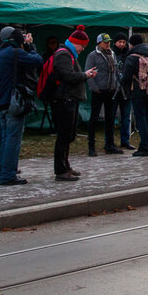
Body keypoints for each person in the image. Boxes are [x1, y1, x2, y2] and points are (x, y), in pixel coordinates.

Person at [0, 26, 43, 186]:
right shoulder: (14, 53)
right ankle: (7, 175)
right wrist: (30, 46)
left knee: (4, 136)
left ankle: (1, 167)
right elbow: (38, 61)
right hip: (14, 102)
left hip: (0, 101)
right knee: (13, 139)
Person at [50, 26, 96, 181]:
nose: (83, 48)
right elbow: (68, 76)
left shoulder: (70, 54)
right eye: (82, 45)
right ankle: (60, 170)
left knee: (69, 135)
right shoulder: (63, 55)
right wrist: (85, 75)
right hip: (65, 100)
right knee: (64, 135)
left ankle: (66, 165)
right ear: (75, 43)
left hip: (70, 99)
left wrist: (84, 75)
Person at [120, 33, 148, 156]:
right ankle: (146, 145)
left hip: (138, 91)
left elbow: (126, 77)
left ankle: (144, 147)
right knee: (147, 118)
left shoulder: (132, 57)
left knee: (140, 118)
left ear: (131, 44)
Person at [85, 33, 121, 155]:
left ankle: (110, 145)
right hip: (99, 91)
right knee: (94, 118)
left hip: (110, 90)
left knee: (110, 118)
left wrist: (115, 85)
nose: (107, 44)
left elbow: (115, 72)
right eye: (105, 42)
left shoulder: (112, 54)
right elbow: (88, 73)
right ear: (99, 43)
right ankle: (91, 146)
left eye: (108, 41)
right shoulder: (93, 55)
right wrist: (95, 88)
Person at [111, 33, 134, 150]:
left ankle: (125, 140)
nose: (122, 44)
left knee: (126, 117)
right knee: (111, 116)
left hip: (126, 90)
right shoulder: (110, 54)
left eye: (124, 42)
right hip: (113, 90)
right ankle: (110, 142)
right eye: (120, 42)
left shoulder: (129, 55)